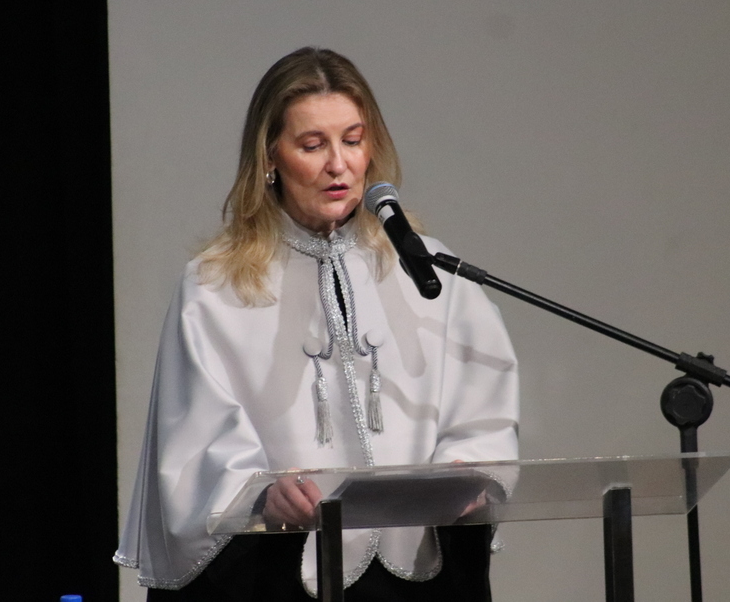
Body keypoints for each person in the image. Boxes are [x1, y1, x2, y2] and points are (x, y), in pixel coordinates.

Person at [114, 47, 519, 601]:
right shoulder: (214, 287)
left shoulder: (428, 268)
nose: (338, 164)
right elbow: (196, 442)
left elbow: (482, 411)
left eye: (352, 140)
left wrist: (466, 474)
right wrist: (262, 495)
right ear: (270, 157)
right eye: (312, 145)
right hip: (280, 573)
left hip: (415, 574)